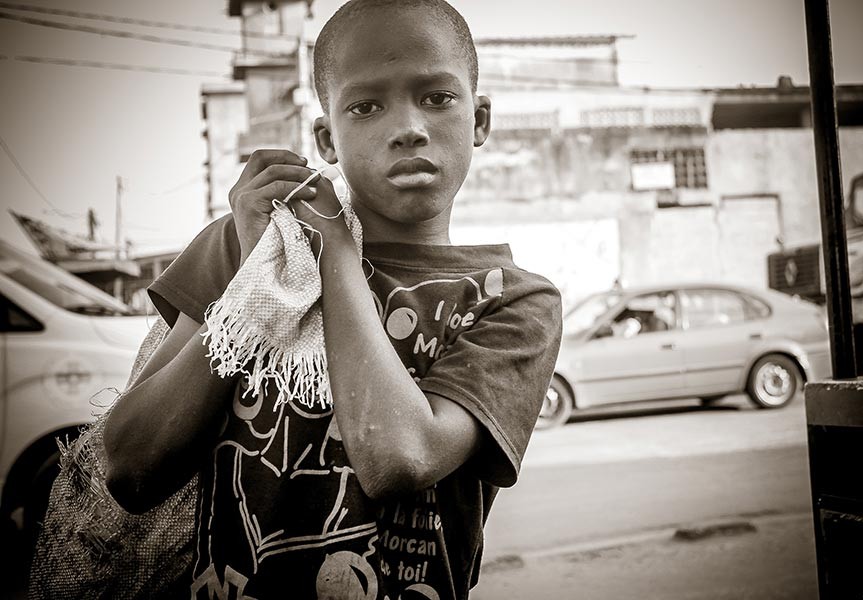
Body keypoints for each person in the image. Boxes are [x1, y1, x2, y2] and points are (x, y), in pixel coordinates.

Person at [103, 0, 562, 598]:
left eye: (437, 97)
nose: (408, 128)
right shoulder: (245, 247)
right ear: (327, 138)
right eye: (366, 106)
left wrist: (338, 257)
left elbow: (397, 457)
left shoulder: (514, 301)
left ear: (479, 120)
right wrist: (249, 286)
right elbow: (131, 467)